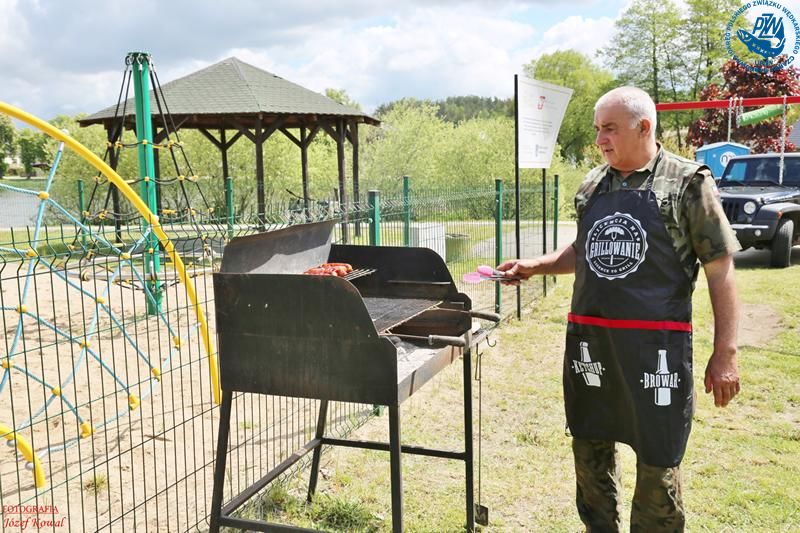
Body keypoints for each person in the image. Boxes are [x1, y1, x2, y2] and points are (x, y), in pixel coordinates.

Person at [498, 86, 741, 531]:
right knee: (589, 455)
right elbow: (584, 249)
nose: (600, 140)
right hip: (592, 347)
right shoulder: (593, 184)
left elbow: (720, 268)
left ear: (643, 127)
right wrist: (536, 266)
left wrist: (725, 353)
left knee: (658, 466)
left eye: (609, 129)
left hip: (656, 353)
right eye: (597, 130)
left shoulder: (688, 183)